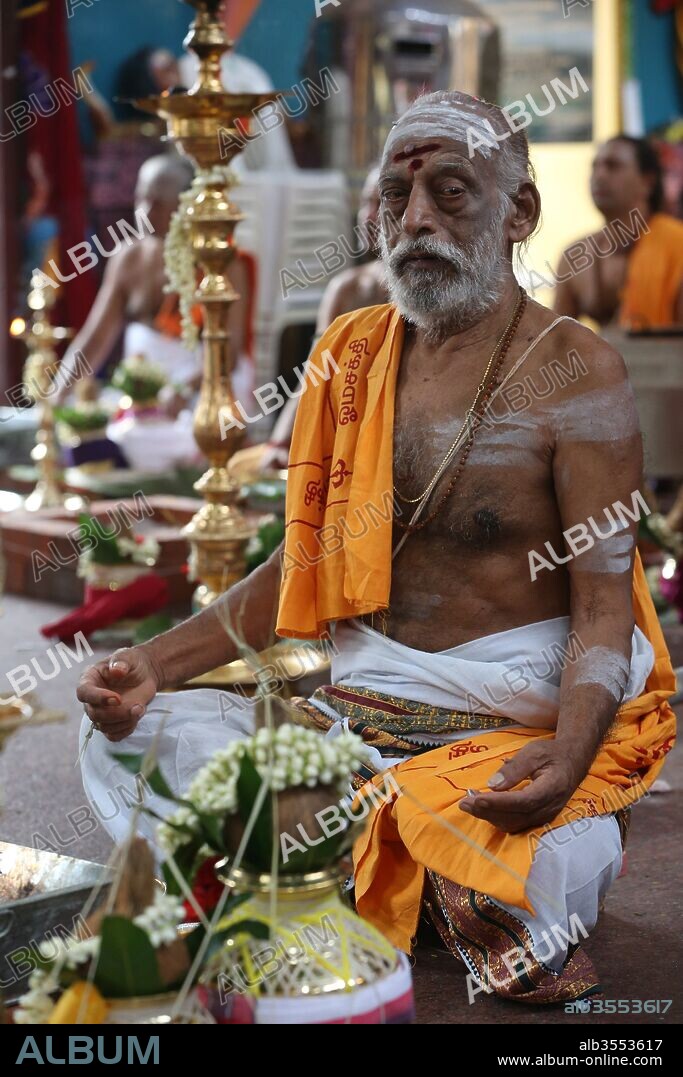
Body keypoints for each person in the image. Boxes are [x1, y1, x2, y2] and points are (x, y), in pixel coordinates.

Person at [77, 92, 675, 1006]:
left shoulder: (575, 371)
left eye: (450, 192)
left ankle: (323, 855)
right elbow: (296, 569)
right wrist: (149, 663)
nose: (416, 220)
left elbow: (601, 608)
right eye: (395, 196)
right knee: (123, 739)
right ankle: (352, 847)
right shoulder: (349, 350)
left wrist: (566, 753)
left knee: (534, 862)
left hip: (497, 733)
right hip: (351, 719)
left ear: (518, 212)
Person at [56, 154, 253, 419]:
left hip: (203, 389)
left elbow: (229, 352)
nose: (145, 212)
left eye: (158, 203)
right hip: (143, 392)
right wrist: (57, 391)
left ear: (186, 205)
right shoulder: (127, 258)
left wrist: (184, 389)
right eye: (141, 199)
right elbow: (95, 338)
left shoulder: (222, 263)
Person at [256, 165, 388, 472]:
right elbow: (316, 371)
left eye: (382, 203)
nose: (367, 216)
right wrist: (280, 443)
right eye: (366, 202)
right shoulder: (348, 289)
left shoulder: (430, 291)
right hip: (340, 439)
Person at [553, 135, 683, 328]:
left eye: (613, 166)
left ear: (647, 182)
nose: (599, 175)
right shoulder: (575, 256)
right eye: (595, 166)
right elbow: (556, 341)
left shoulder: (676, 244)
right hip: (602, 358)